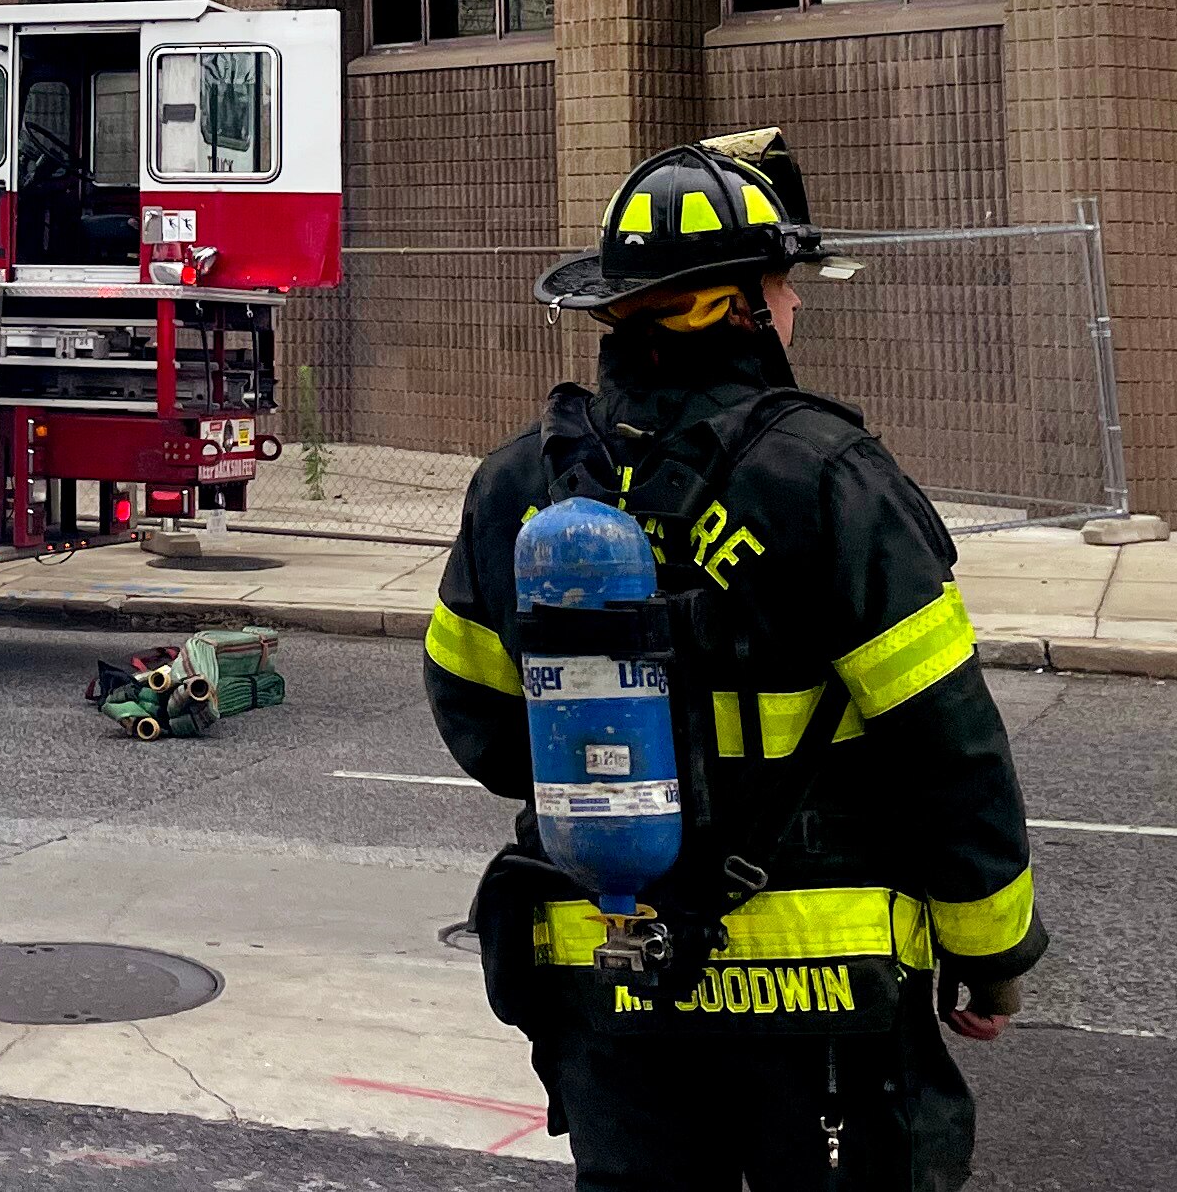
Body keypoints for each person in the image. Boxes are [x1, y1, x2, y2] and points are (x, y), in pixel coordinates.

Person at [425, 133, 1044, 1189]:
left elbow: (480, 720)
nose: (795, 303)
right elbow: (949, 745)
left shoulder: (520, 483)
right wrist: (992, 954)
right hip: (820, 996)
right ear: (748, 302)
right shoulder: (828, 477)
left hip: (608, 972)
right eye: (784, 282)